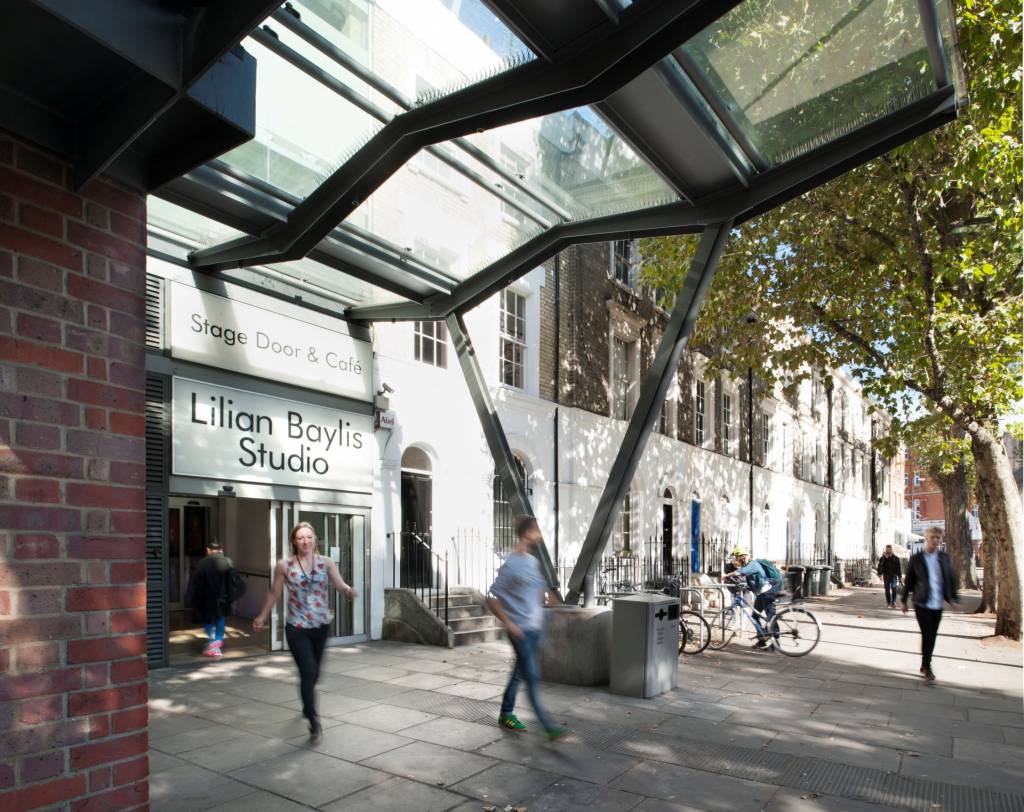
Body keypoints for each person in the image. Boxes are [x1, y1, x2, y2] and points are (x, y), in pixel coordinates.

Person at [253, 522, 358, 744]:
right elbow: (274, 593)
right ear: (294, 541)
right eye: (300, 538)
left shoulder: (326, 562)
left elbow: (339, 584)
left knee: (315, 674)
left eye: (309, 537)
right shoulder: (284, 565)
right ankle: (314, 721)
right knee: (308, 672)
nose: (305, 541)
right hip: (297, 628)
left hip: (320, 626)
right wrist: (262, 616)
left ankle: (306, 704)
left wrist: (348, 590)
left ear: (314, 539)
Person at [485, 516, 570, 742]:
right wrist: (510, 624)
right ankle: (548, 726)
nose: (540, 534)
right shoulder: (511, 564)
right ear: (527, 532)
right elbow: (492, 599)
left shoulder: (532, 562)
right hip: (519, 630)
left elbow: (542, 590)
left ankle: (505, 714)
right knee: (531, 675)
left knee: (519, 673)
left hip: (533, 629)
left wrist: (558, 609)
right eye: (537, 530)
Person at [901, 526, 960, 681]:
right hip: (921, 602)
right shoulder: (917, 559)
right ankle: (928, 666)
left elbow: (952, 579)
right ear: (926, 539)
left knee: (932, 636)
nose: (935, 540)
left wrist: (954, 599)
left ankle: (924, 663)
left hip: (938, 603)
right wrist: (903, 601)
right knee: (927, 634)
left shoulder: (945, 558)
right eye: (933, 537)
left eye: (938, 538)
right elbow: (909, 582)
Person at [186, 539, 236, 658]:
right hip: (222, 598)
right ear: (221, 550)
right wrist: (230, 596)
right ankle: (216, 644)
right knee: (220, 619)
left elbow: (196, 583)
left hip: (206, 598)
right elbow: (233, 581)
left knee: (207, 620)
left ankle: (212, 642)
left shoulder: (202, 563)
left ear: (208, 550)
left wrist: (192, 598)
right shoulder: (227, 562)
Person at [728, 549, 782, 650]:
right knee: (755, 616)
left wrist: (727, 575)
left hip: (768, 592)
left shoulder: (753, 564)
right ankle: (762, 639)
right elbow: (751, 578)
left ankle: (776, 641)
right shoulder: (747, 565)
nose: (736, 560)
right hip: (761, 594)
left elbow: (742, 572)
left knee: (771, 617)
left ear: (742, 557)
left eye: (737, 558)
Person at [877, 544, 903, 608]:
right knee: (887, 589)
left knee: (894, 588)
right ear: (885, 550)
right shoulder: (882, 558)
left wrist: (900, 576)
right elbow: (880, 566)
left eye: (889, 549)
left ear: (891, 550)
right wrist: (880, 574)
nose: (888, 551)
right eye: (887, 549)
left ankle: (893, 602)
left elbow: (898, 568)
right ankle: (888, 602)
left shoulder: (895, 558)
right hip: (886, 576)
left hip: (893, 576)